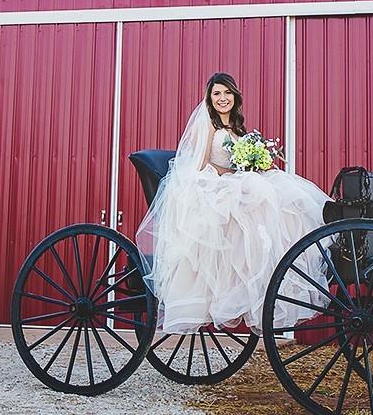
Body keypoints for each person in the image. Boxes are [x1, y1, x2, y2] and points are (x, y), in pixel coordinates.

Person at [135, 72, 332, 335]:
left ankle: (284, 265)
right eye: (216, 93)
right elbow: (201, 165)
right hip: (212, 185)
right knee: (260, 192)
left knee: (280, 192)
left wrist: (254, 163)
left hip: (238, 180)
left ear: (235, 96)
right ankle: (252, 280)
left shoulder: (238, 130)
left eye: (227, 92)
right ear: (209, 99)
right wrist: (235, 174)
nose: (222, 98)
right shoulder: (209, 127)